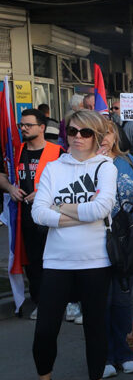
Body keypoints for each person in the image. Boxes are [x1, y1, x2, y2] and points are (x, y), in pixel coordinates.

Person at [31, 109, 117, 380]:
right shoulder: (54, 167)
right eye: (72, 131)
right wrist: (79, 212)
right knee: (44, 330)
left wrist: (60, 207)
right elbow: (38, 213)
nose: (77, 137)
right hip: (56, 260)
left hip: (95, 260)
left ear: (96, 136)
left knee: (95, 328)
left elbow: (102, 208)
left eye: (86, 132)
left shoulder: (106, 167)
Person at [97, 122, 133, 378]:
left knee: (122, 299)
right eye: (96, 132)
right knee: (102, 300)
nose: (102, 137)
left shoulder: (127, 161)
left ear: (115, 135)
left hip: (127, 242)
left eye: (107, 132)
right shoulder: (83, 164)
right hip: (96, 241)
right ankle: (104, 356)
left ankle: (126, 353)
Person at [0, 109, 64, 314]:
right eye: (22, 125)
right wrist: (10, 188)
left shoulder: (58, 152)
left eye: (28, 125)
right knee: (33, 263)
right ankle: (40, 303)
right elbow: (2, 175)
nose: (24, 129)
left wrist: (44, 193)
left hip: (51, 216)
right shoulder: (15, 152)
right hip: (24, 218)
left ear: (42, 127)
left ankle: (65, 301)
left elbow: (68, 182)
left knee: (56, 262)